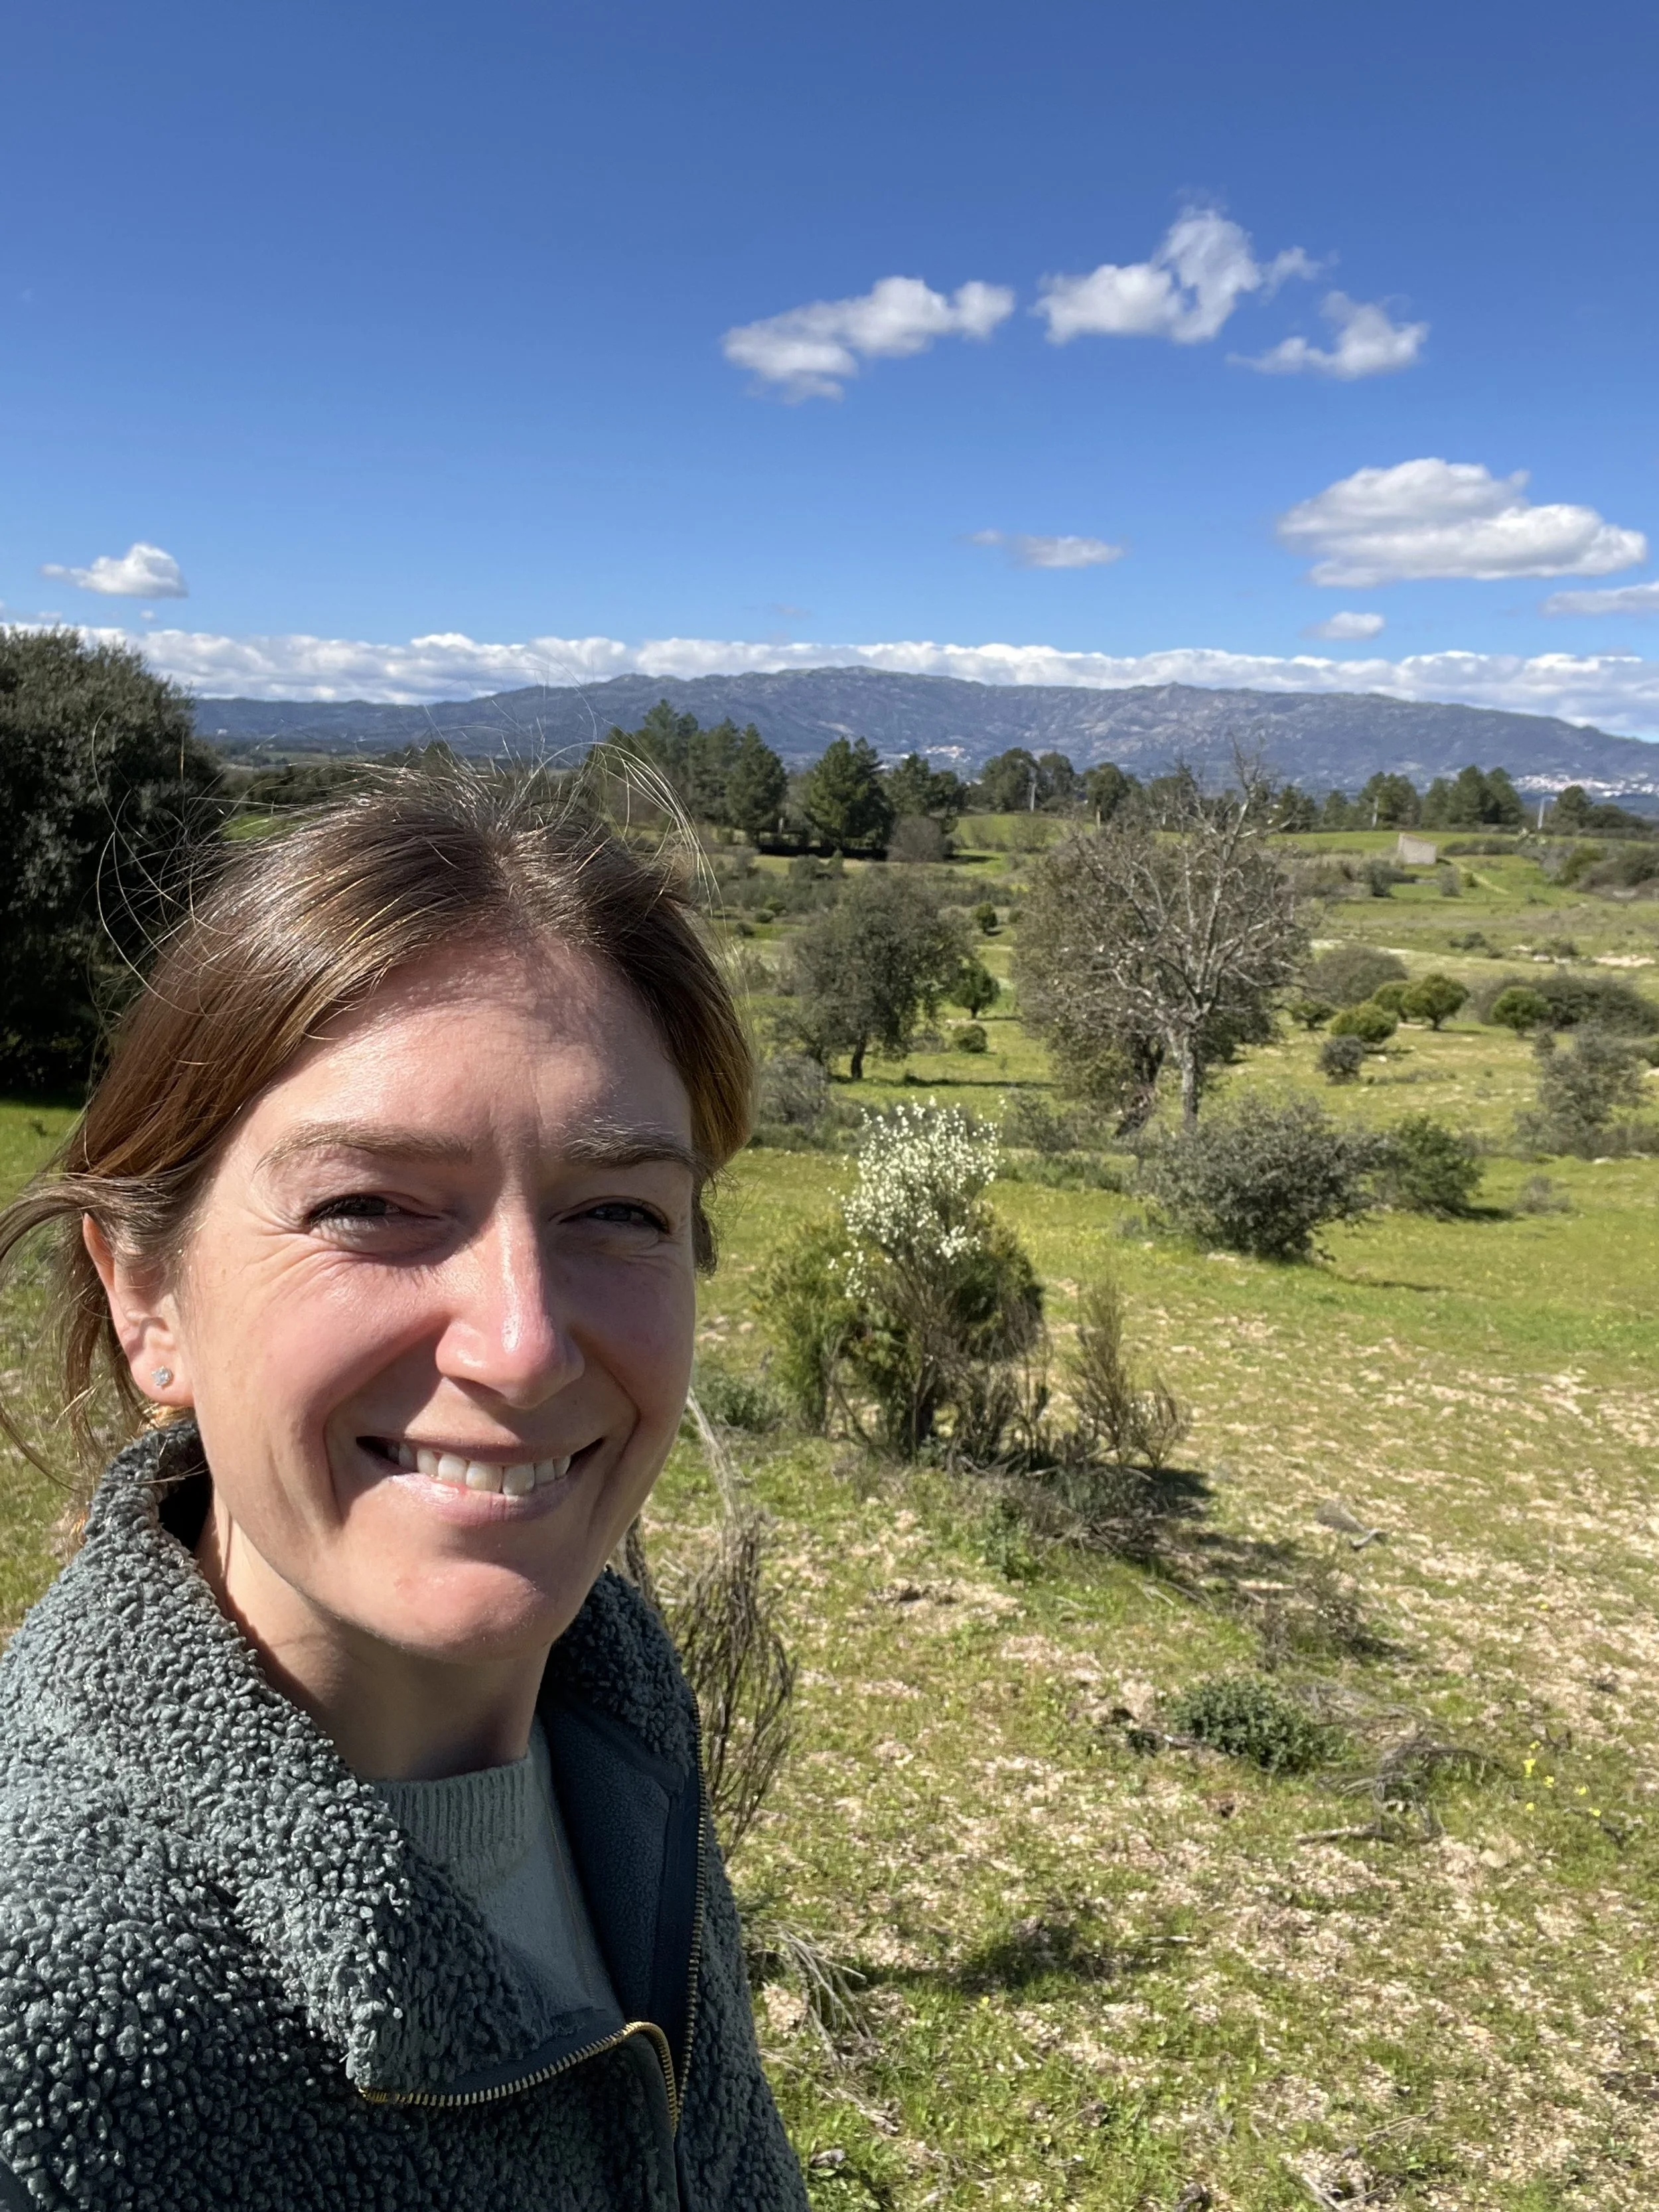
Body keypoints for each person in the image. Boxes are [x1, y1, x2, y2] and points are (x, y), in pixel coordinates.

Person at [0, 773, 808, 2211]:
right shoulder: (44, 2007)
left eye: (617, 1212)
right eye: (370, 1206)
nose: (523, 1344)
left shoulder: (616, 1732)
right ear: (147, 1300)